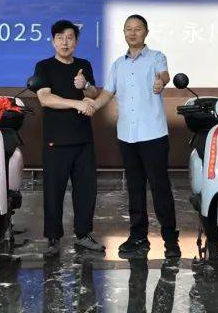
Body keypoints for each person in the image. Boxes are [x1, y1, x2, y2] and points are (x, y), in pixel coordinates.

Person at [87, 14, 179, 259]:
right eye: (128, 29)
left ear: (146, 32)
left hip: (153, 135)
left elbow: (164, 75)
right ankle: (138, 237)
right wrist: (92, 106)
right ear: (124, 33)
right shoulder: (118, 64)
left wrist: (160, 82)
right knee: (135, 189)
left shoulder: (156, 57)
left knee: (160, 188)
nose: (133, 33)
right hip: (127, 136)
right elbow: (107, 92)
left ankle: (171, 239)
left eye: (137, 29)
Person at [32, 19, 105, 257]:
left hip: (83, 139)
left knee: (86, 190)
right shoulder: (44, 66)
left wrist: (85, 85)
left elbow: (93, 93)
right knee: (54, 190)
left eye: (70, 37)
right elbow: (45, 98)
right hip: (56, 140)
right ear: (53, 41)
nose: (65, 42)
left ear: (76, 41)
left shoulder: (84, 65)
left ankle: (83, 235)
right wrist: (76, 103)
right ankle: (53, 238)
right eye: (60, 38)